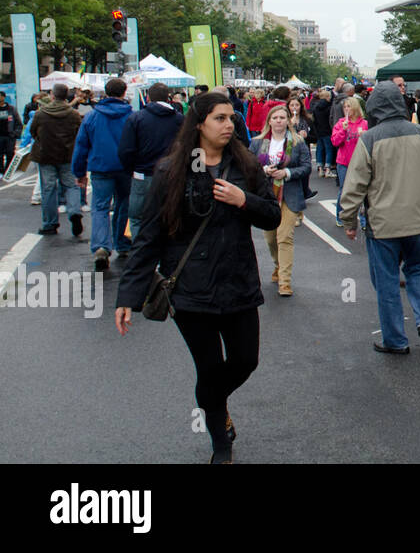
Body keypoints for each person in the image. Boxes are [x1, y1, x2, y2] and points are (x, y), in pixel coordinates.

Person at [114, 92, 282, 464]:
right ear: (200, 124)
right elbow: (149, 236)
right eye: (220, 118)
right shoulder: (171, 170)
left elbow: (272, 216)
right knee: (208, 368)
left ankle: (213, 406)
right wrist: (128, 295)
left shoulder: (246, 164)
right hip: (191, 290)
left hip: (238, 282)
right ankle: (220, 440)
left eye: (230, 118)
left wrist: (244, 200)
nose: (229, 124)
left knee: (245, 360)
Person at [338, 81, 420, 354]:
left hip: (382, 224)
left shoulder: (369, 138)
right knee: (419, 269)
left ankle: (395, 340)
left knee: (386, 281)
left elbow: (355, 185)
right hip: (417, 220)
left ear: (375, 107)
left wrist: (350, 220)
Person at [249, 104, 313, 296]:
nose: (279, 121)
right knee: (270, 238)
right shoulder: (258, 142)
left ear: (288, 121)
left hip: (289, 193)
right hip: (267, 196)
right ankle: (278, 265)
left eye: (282, 118)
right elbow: (248, 166)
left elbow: (306, 167)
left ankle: (285, 281)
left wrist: (286, 172)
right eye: (275, 118)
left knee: (285, 237)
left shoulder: (297, 141)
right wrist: (263, 171)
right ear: (269, 121)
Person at [72, 77, 135, 269]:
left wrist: (79, 172)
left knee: (100, 207)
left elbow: (81, 146)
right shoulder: (131, 116)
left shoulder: (92, 116)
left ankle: (101, 246)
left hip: (100, 167)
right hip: (126, 168)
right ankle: (122, 243)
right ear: (124, 93)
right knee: (124, 204)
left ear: (106, 93)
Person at [117, 82, 185, 248]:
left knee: (137, 217)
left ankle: (141, 255)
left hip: (142, 175)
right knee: (169, 216)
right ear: (168, 97)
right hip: (171, 175)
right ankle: (165, 257)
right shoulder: (179, 119)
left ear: (148, 97)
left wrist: (132, 169)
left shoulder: (137, 118)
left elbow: (125, 150)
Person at [30, 83, 84, 238]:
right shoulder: (73, 114)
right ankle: (74, 211)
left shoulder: (41, 114)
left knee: (48, 189)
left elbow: (33, 131)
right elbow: (79, 133)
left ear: (52, 95)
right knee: (71, 186)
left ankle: (50, 224)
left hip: (45, 155)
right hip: (67, 155)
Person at [331, 96, 367, 228]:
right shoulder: (340, 123)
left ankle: (364, 220)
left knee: (363, 190)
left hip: (360, 162)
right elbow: (335, 142)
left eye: (349, 106)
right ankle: (341, 217)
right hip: (344, 162)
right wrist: (343, 130)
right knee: (344, 190)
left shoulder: (364, 123)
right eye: (345, 107)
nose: (346, 109)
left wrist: (365, 136)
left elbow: (369, 143)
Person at [311, 89, 334, 176]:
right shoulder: (329, 107)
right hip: (327, 130)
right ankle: (327, 169)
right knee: (329, 149)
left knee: (319, 149)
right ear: (327, 97)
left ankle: (320, 168)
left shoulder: (316, 107)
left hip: (319, 131)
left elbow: (314, 120)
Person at [0, 91, 18, 174]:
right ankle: (1, 170)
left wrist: (15, 133)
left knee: (10, 153)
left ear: (4, 97)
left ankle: (8, 171)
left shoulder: (11, 108)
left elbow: (18, 123)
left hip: (9, 136)